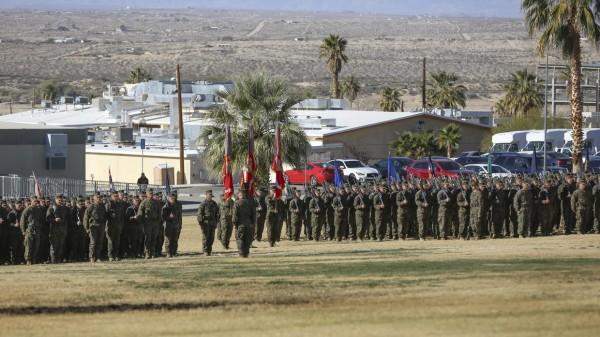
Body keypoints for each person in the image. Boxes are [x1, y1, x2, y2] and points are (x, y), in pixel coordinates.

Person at [232, 186, 256, 258]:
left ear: (239, 195)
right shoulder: (250, 203)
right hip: (249, 224)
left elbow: (235, 216)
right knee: (247, 239)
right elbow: (254, 214)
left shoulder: (237, 203)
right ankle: (246, 253)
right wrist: (252, 223)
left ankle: (242, 253)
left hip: (240, 224)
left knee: (240, 239)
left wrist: (234, 224)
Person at [46, 194, 71, 263]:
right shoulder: (51, 208)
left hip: (62, 230)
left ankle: (59, 260)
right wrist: (54, 220)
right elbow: (48, 218)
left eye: (61, 200)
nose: (60, 201)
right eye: (59, 200)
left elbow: (68, 218)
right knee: (54, 246)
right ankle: (54, 260)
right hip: (54, 230)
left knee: (61, 246)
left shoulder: (65, 208)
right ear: (56, 199)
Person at [137, 189, 161, 259]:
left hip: (155, 223)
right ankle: (147, 253)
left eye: (151, 193)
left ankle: (152, 252)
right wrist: (140, 219)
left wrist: (158, 221)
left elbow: (159, 213)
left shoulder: (156, 202)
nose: (151, 194)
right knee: (148, 238)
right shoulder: (143, 202)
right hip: (147, 223)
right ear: (147, 194)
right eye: (149, 193)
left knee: (154, 238)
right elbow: (140, 212)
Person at [83, 193, 108, 263]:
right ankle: (91, 257)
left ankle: (98, 257)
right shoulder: (91, 206)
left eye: (100, 198)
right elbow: (86, 217)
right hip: (93, 226)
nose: (99, 199)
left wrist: (105, 225)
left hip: (101, 226)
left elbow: (105, 216)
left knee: (99, 242)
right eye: (97, 197)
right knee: (93, 243)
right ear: (94, 198)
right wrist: (87, 228)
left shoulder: (102, 206)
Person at [197, 190, 219, 256]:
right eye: (209, 195)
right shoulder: (203, 204)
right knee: (205, 238)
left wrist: (216, 221)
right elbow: (199, 214)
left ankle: (209, 250)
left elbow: (217, 213)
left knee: (211, 238)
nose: (210, 196)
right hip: (205, 223)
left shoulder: (214, 203)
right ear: (206, 195)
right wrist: (201, 223)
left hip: (212, 223)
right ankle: (205, 250)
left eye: (211, 195)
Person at [162, 193, 181, 257]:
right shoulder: (165, 207)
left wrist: (179, 224)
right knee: (168, 240)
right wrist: (169, 217)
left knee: (175, 239)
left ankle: (174, 252)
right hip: (168, 225)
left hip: (175, 225)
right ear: (168, 198)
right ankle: (168, 253)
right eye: (171, 198)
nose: (172, 199)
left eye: (173, 198)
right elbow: (163, 217)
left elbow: (179, 216)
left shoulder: (176, 206)